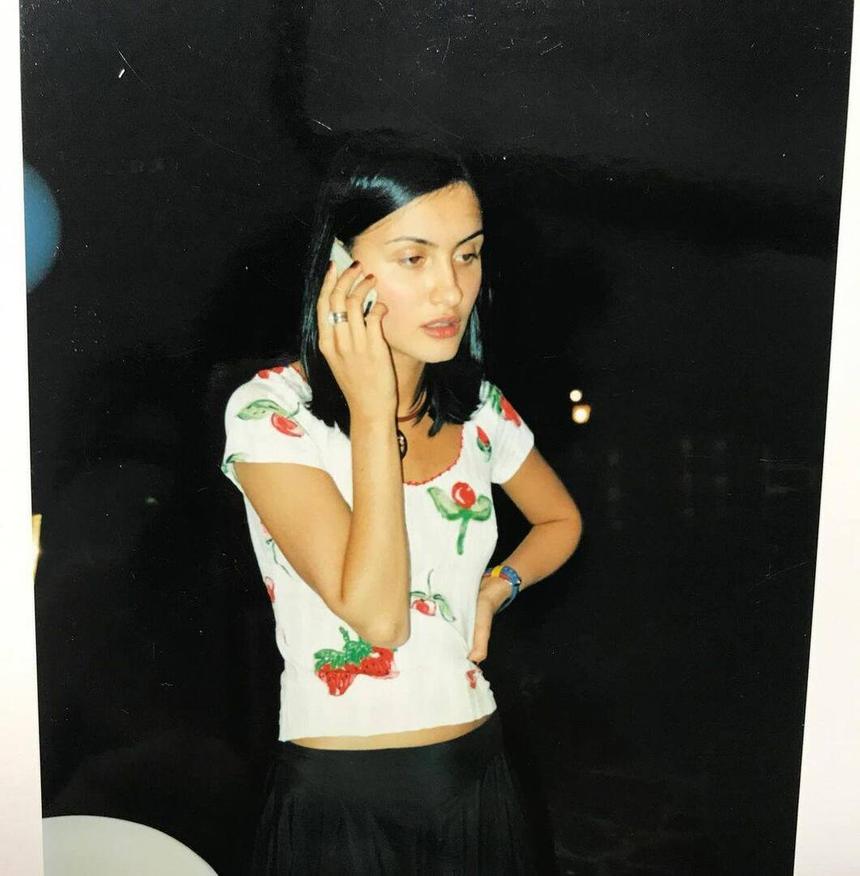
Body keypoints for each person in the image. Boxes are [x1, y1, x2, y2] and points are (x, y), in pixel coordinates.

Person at [220, 128, 582, 874]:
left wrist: (496, 589)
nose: (450, 289)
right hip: (342, 803)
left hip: (479, 777)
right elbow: (378, 617)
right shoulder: (271, 414)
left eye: (467, 254)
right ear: (341, 270)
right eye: (414, 258)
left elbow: (561, 519)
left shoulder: (479, 409)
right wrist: (371, 407)